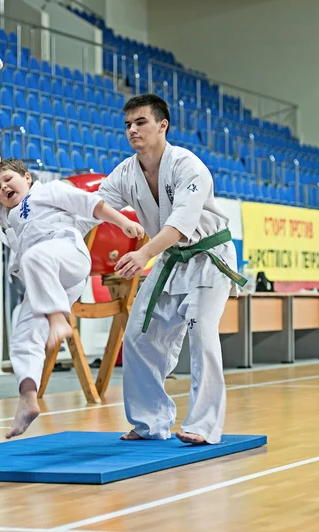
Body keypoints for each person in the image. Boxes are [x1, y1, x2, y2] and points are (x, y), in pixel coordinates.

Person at [93, 94, 246, 445]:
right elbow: (95, 205)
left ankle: (204, 425)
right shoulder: (127, 172)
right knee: (136, 337)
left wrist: (143, 253)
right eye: (128, 124)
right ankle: (150, 423)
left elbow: (181, 223)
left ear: (163, 125)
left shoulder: (189, 166)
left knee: (202, 332)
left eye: (140, 122)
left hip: (209, 258)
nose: (132, 130)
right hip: (170, 261)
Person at [0, 139, 145, 439]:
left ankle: (57, 319)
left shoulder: (49, 190)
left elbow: (92, 205)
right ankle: (27, 397)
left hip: (68, 256)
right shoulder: (7, 213)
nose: (3, 189)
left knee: (35, 256)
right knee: (23, 330)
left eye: (7, 180)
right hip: (45, 281)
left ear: (27, 178)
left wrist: (123, 223)